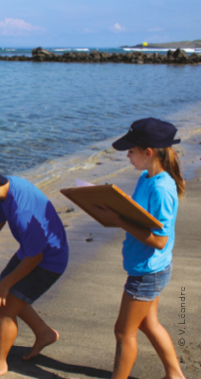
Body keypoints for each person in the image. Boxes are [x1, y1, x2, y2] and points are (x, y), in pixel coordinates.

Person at [0, 158, 69, 379]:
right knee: (8, 297)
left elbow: (36, 257)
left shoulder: (22, 210)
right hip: (30, 252)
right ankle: (44, 334)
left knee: (6, 306)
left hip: (48, 261)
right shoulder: (6, 188)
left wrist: (6, 284)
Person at [93, 118, 186, 379]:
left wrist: (118, 220)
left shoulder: (161, 188)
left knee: (123, 332)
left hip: (148, 272)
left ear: (148, 153)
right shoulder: (147, 177)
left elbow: (159, 240)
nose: (128, 157)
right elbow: (141, 215)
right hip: (148, 266)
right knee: (148, 323)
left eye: (131, 152)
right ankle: (175, 375)